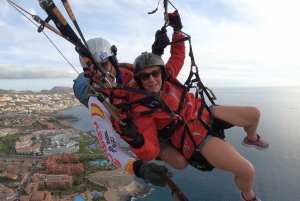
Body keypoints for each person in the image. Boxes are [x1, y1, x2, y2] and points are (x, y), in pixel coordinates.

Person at [118, 52, 269, 201]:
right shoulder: (142, 108)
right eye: (145, 76)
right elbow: (148, 149)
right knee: (247, 171)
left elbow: (177, 57)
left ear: (162, 73)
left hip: (204, 112)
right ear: (139, 79)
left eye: (155, 73)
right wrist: (135, 140)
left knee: (254, 114)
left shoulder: (169, 79)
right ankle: (248, 196)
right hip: (194, 135)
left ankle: (251, 138)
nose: (151, 80)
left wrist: (177, 31)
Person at [78, 12, 186, 187]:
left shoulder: (129, 69)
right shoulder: (97, 101)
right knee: (180, 162)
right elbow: (110, 148)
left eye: (103, 65)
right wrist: (139, 168)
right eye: (91, 72)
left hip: (157, 116)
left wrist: (157, 51)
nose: (99, 74)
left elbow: (153, 77)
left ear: (112, 60)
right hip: (141, 133)